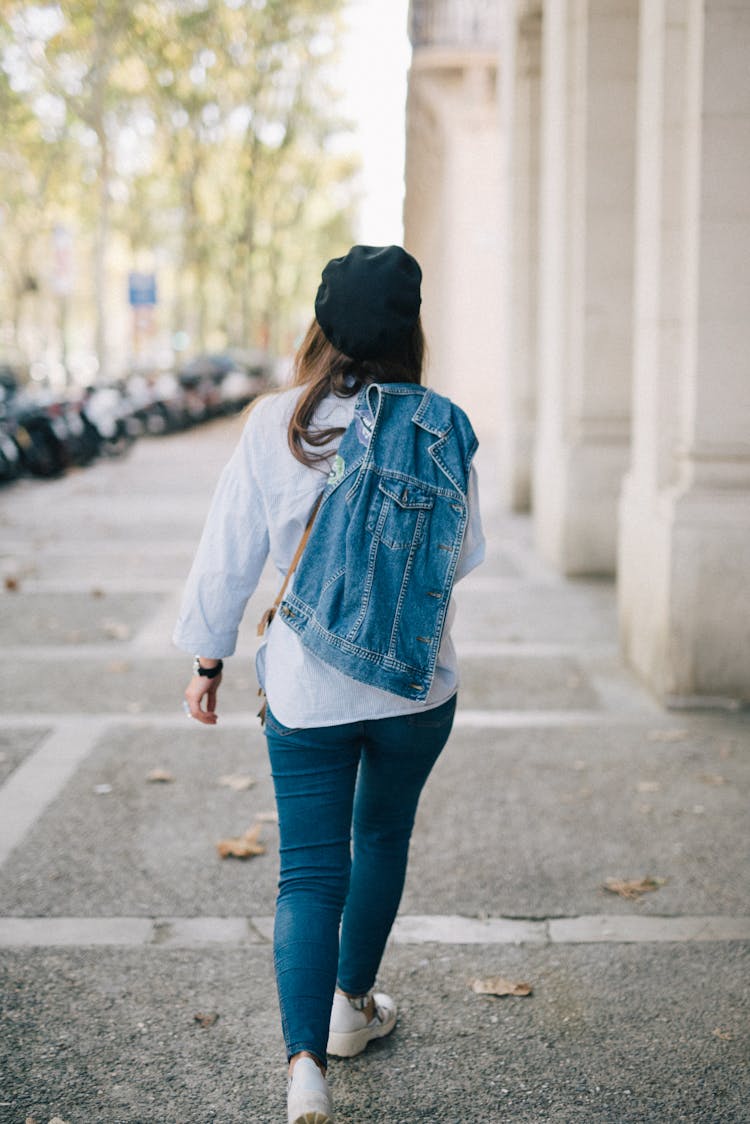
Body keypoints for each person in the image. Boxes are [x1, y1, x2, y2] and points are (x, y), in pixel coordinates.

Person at [174, 245, 484, 1124]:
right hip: (416, 691)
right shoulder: (445, 424)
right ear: (410, 330)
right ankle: (353, 1008)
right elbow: (463, 557)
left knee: (308, 875)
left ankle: (305, 1069)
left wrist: (209, 660)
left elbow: (227, 556)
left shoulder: (275, 422)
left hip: (307, 693)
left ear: (320, 325)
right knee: (381, 839)